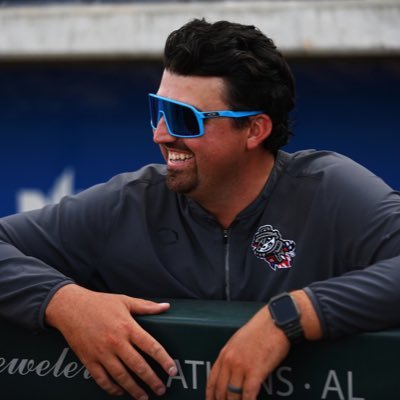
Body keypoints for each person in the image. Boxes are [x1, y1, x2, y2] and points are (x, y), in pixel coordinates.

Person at [0, 18, 399, 400]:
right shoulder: (130, 203)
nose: (160, 134)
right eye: (158, 110)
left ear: (254, 130)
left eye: (182, 119)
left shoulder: (327, 189)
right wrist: (65, 303)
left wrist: (290, 317)